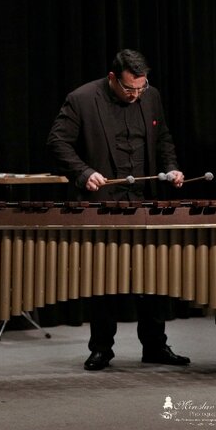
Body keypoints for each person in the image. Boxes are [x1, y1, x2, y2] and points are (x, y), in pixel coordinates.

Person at [47, 49, 191, 371]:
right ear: (113, 78)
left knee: (153, 277)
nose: (136, 95)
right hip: (103, 204)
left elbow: (163, 139)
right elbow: (57, 142)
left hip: (145, 203)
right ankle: (101, 348)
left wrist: (172, 168)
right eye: (130, 89)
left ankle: (155, 346)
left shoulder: (150, 96)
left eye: (141, 88)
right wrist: (84, 173)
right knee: (104, 279)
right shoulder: (82, 99)